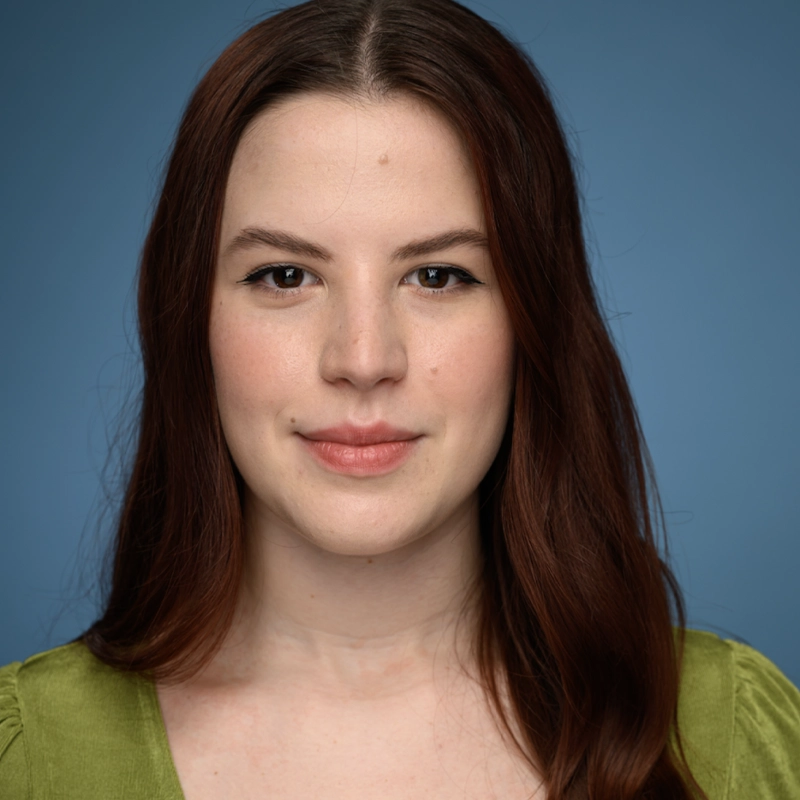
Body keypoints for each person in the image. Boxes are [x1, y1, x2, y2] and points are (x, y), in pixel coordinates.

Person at [1, 0, 798, 797]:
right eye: (285, 275)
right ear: (187, 322)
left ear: (534, 322)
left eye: (438, 275)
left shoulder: (732, 739)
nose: (363, 358)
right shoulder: (29, 757)